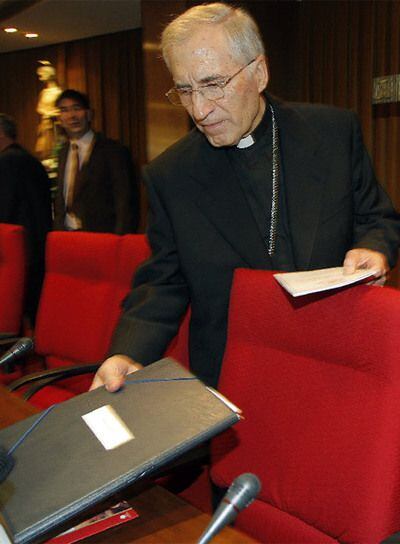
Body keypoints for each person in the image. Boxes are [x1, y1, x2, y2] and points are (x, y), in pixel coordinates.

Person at [90, 2, 400, 392]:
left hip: (336, 358)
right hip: (238, 374)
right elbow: (162, 281)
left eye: (213, 84)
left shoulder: (333, 133)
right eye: (185, 90)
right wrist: (124, 352)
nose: (200, 110)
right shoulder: (171, 175)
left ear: (259, 72)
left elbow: (376, 217)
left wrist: (375, 248)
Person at [53, 89, 139, 233]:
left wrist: (119, 240)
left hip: (102, 236)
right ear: (59, 118)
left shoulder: (113, 151)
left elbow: (125, 201)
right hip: (67, 235)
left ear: (89, 114)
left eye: (77, 108)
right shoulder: (63, 152)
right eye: (64, 110)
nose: (72, 116)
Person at [0, 113, 52, 324]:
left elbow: (4, 209)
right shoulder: (30, 160)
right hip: (38, 246)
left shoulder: (6, 161)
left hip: (17, 250)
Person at [35, 62, 63, 161]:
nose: (40, 78)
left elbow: (60, 109)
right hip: (45, 123)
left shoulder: (58, 92)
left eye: (42, 75)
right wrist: (45, 112)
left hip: (54, 123)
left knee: (54, 144)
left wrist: (52, 113)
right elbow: (39, 108)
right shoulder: (44, 92)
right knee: (44, 146)